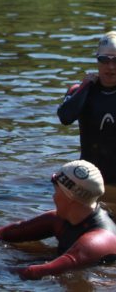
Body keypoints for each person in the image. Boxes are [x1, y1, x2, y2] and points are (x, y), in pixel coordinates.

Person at [0, 160, 116, 280]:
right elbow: (4, 233)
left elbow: (37, 272)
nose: (53, 197)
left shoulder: (97, 241)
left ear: (70, 197)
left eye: (56, 191)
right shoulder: (59, 220)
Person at [58, 31, 116, 210]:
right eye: (104, 60)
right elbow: (65, 117)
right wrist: (84, 87)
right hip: (87, 185)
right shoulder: (82, 90)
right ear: (97, 60)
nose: (111, 67)